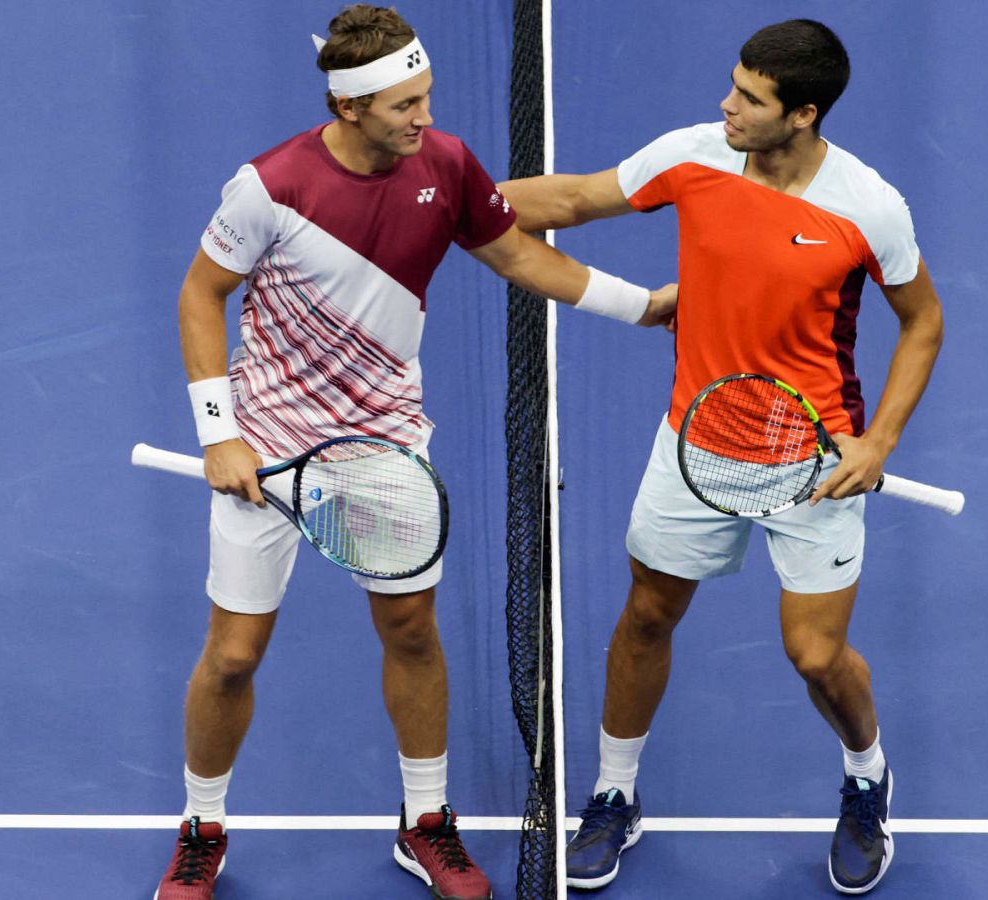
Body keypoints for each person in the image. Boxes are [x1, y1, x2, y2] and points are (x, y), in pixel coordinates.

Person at [154, 5, 675, 900]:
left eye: (426, 97)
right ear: (350, 108)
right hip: (269, 453)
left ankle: (426, 822)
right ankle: (202, 826)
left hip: (385, 449)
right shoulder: (269, 186)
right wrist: (219, 433)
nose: (423, 117)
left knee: (410, 632)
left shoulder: (446, 164)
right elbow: (202, 296)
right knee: (234, 654)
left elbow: (516, 254)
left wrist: (642, 307)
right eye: (404, 104)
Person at [498, 19, 944, 895]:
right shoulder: (694, 154)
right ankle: (615, 794)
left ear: (804, 115)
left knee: (816, 656)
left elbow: (922, 321)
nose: (726, 105)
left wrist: (879, 439)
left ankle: (867, 776)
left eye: (749, 98)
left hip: (812, 457)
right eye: (733, 86)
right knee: (648, 615)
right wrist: (441, 194)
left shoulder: (868, 205)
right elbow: (575, 200)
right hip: (695, 440)